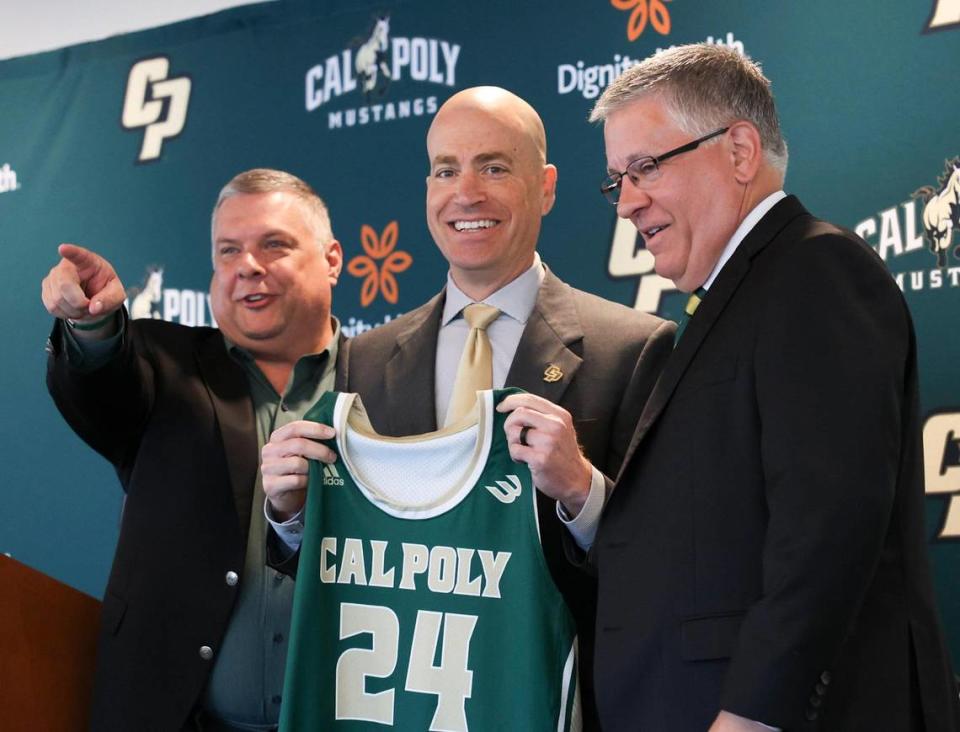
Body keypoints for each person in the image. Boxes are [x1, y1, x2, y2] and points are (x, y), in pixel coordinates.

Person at [558, 43, 960, 731]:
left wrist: (750, 716)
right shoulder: (732, 297)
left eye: (644, 168)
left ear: (740, 151)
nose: (626, 203)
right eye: (615, 180)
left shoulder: (815, 273)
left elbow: (827, 530)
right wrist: (582, 493)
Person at [260, 87, 675, 729]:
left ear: (546, 187)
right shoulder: (364, 358)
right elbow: (345, 565)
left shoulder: (633, 348)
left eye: (494, 167)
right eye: (446, 170)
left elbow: (669, 564)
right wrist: (289, 515)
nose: (467, 193)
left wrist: (582, 493)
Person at [42, 169, 345, 731]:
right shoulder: (162, 364)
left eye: (273, 244)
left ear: (331, 259)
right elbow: (101, 383)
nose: (247, 266)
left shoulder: (387, 377)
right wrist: (93, 325)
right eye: (228, 251)